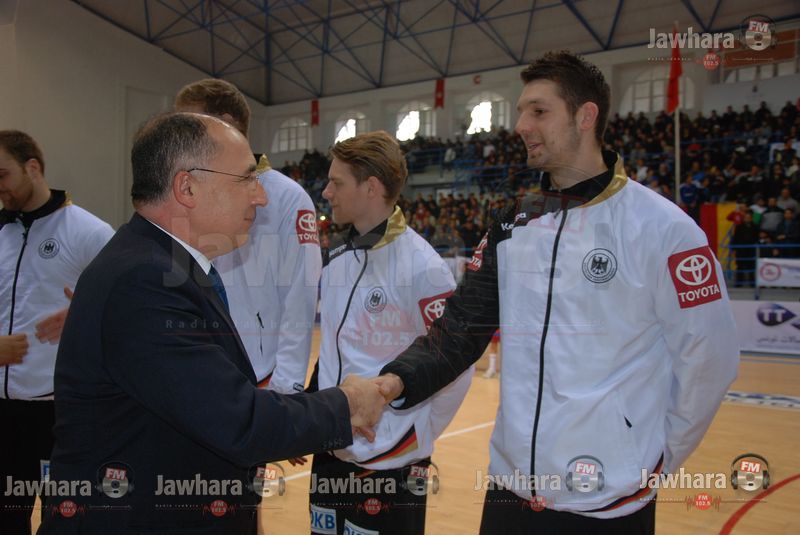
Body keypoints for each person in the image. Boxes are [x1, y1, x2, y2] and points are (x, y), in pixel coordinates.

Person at [376, 51, 739, 534]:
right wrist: (392, 381)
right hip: (510, 487)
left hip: (609, 497)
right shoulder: (514, 222)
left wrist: (657, 459)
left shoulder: (664, 229)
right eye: (521, 111)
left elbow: (711, 357)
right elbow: (460, 329)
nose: (521, 125)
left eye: (539, 111)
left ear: (585, 116)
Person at [38, 113, 385, 535]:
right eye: (247, 178)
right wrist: (347, 405)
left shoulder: (167, 267)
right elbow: (237, 420)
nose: (261, 196)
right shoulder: (143, 280)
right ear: (187, 188)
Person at [308, 131, 473, 535]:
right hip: (330, 450)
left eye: (336, 182)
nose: (326, 192)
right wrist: (311, 412)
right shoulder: (336, 257)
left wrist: (414, 437)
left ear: (371, 187)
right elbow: (334, 350)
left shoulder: (423, 267)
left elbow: (456, 363)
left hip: (391, 463)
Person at [0, 130, 114, 535]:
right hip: (3, 414)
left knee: (63, 521)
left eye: (3, 174)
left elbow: (130, 308)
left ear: (32, 167)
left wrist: (83, 315)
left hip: (60, 414)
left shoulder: (89, 232)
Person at [175, 79, 319, 395]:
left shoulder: (286, 197)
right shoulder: (186, 190)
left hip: (260, 380)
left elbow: (301, 295)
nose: (179, 136)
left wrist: (287, 388)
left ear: (226, 124)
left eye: (191, 126)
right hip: (196, 372)